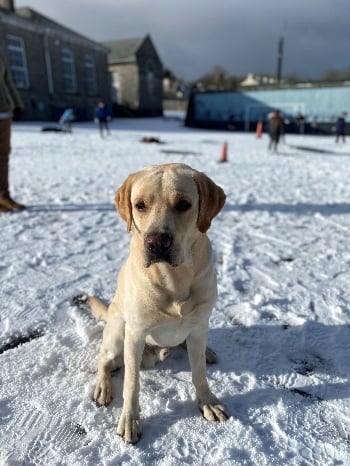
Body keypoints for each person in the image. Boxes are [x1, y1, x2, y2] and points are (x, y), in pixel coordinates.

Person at [0, 56, 25, 213]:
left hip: (3, 110)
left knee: (3, 155)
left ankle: (3, 195)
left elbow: (7, 81)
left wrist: (17, 104)